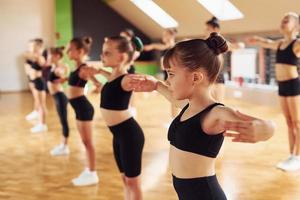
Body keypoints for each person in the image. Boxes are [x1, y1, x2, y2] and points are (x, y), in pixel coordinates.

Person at [129, 33, 275, 199]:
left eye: (171, 74)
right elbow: (169, 95)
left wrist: (267, 128)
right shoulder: (189, 107)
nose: (168, 81)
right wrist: (155, 85)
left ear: (196, 77)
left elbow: (268, 127)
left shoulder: (215, 114)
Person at [247, 12, 300, 171]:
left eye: (287, 20)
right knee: (289, 123)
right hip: (282, 86)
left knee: (297, 123)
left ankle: (297, 157)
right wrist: (256, 40)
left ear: (296, 25)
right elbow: (267, 42)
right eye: (282, 19)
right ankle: (291, 155)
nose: (283, 22)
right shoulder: (279, 44)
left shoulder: (296, 44)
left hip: (293, 85)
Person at [47, 46, 70, 156]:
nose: (48, 57)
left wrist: (62, 76)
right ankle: (63, 145)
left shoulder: (58, 68)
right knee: (62, 121)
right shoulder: (54, 66)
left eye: (50, 55)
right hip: (57, 96)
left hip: (60, 97)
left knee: (64, 121)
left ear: (56, 56)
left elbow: (62, 75)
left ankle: (64, 146)